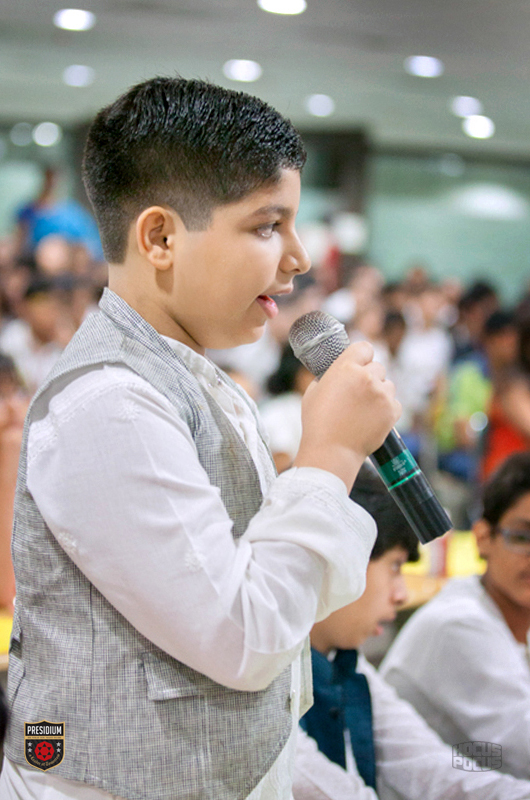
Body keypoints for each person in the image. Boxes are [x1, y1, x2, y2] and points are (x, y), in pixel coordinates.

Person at [0, 77, 400, 800]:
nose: (299, 257)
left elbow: (275, 607)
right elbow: (244, 638)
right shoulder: (110, 402)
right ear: (160, 238)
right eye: (267, 226)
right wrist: (333, 454)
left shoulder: (189, 376)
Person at [294, 465, 530, 799]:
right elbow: (519, 752)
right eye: (395, 566)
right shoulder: (458, 623)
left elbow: (433, 769)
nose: (401, 594)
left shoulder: (346, 662)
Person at [381, 452, 530, 780]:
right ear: (483, 538)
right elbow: (523, 753)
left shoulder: (508, 618)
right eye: (522, 537)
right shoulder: (460, 624)